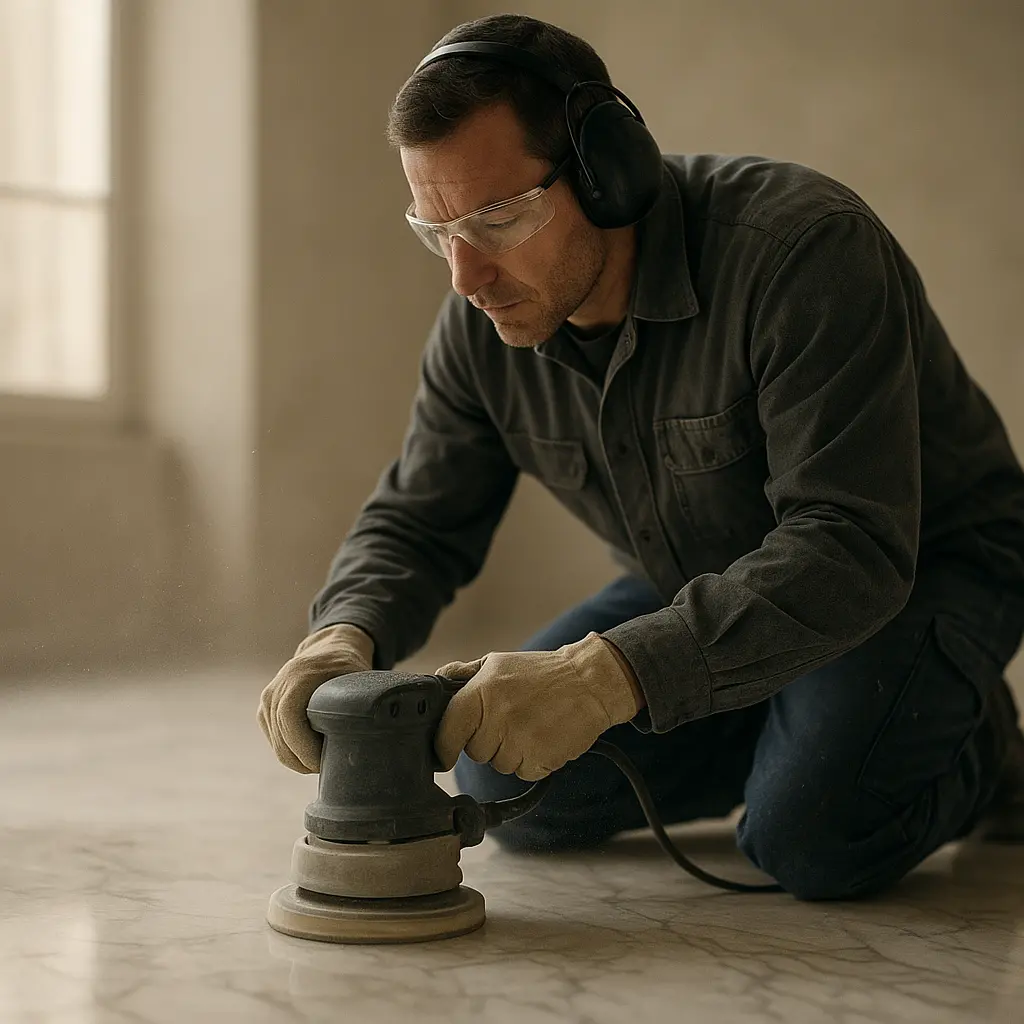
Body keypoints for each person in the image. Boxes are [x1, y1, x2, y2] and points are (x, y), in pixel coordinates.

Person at [258, 14, 1024, 900]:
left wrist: (605, 678)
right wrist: (340, 635)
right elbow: (420, 517)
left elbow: (851, 543)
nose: (465, 277)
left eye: (498, 218)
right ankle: (809, 725)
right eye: (436, 232)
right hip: (702, 572)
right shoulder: (480, 326)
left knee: (814, 837)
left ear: (606, 168)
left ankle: (976, 742)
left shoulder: (803, 253)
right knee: (508, 782)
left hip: (918, 571)